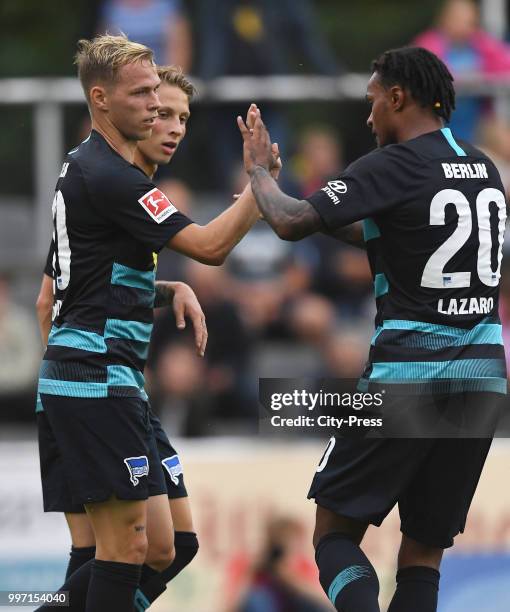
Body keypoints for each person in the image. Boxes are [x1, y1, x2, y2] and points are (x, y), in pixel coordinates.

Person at [238, 46, 507, 612]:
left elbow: (287, 222)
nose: (367, 116)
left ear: (397, 98)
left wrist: (261, 172)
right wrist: (329, 215)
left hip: (408, 375)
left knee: (332, 533)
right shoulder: (485, 169)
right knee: (423, 552)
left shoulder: (394, 165)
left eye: (371, 101)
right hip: (483, 382)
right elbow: (399, 233)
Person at [35, 34, 278, 612]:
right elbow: (212, 246)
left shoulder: (105, 176)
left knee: (170, 545)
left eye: (175, 112)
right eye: (148, 100)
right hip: (95, 380)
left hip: (102, 380)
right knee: (125, 550)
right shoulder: (114, 179)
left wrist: (165, 288)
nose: (161, 117)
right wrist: (260, 182)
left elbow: (58, 293)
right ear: (102, 100)